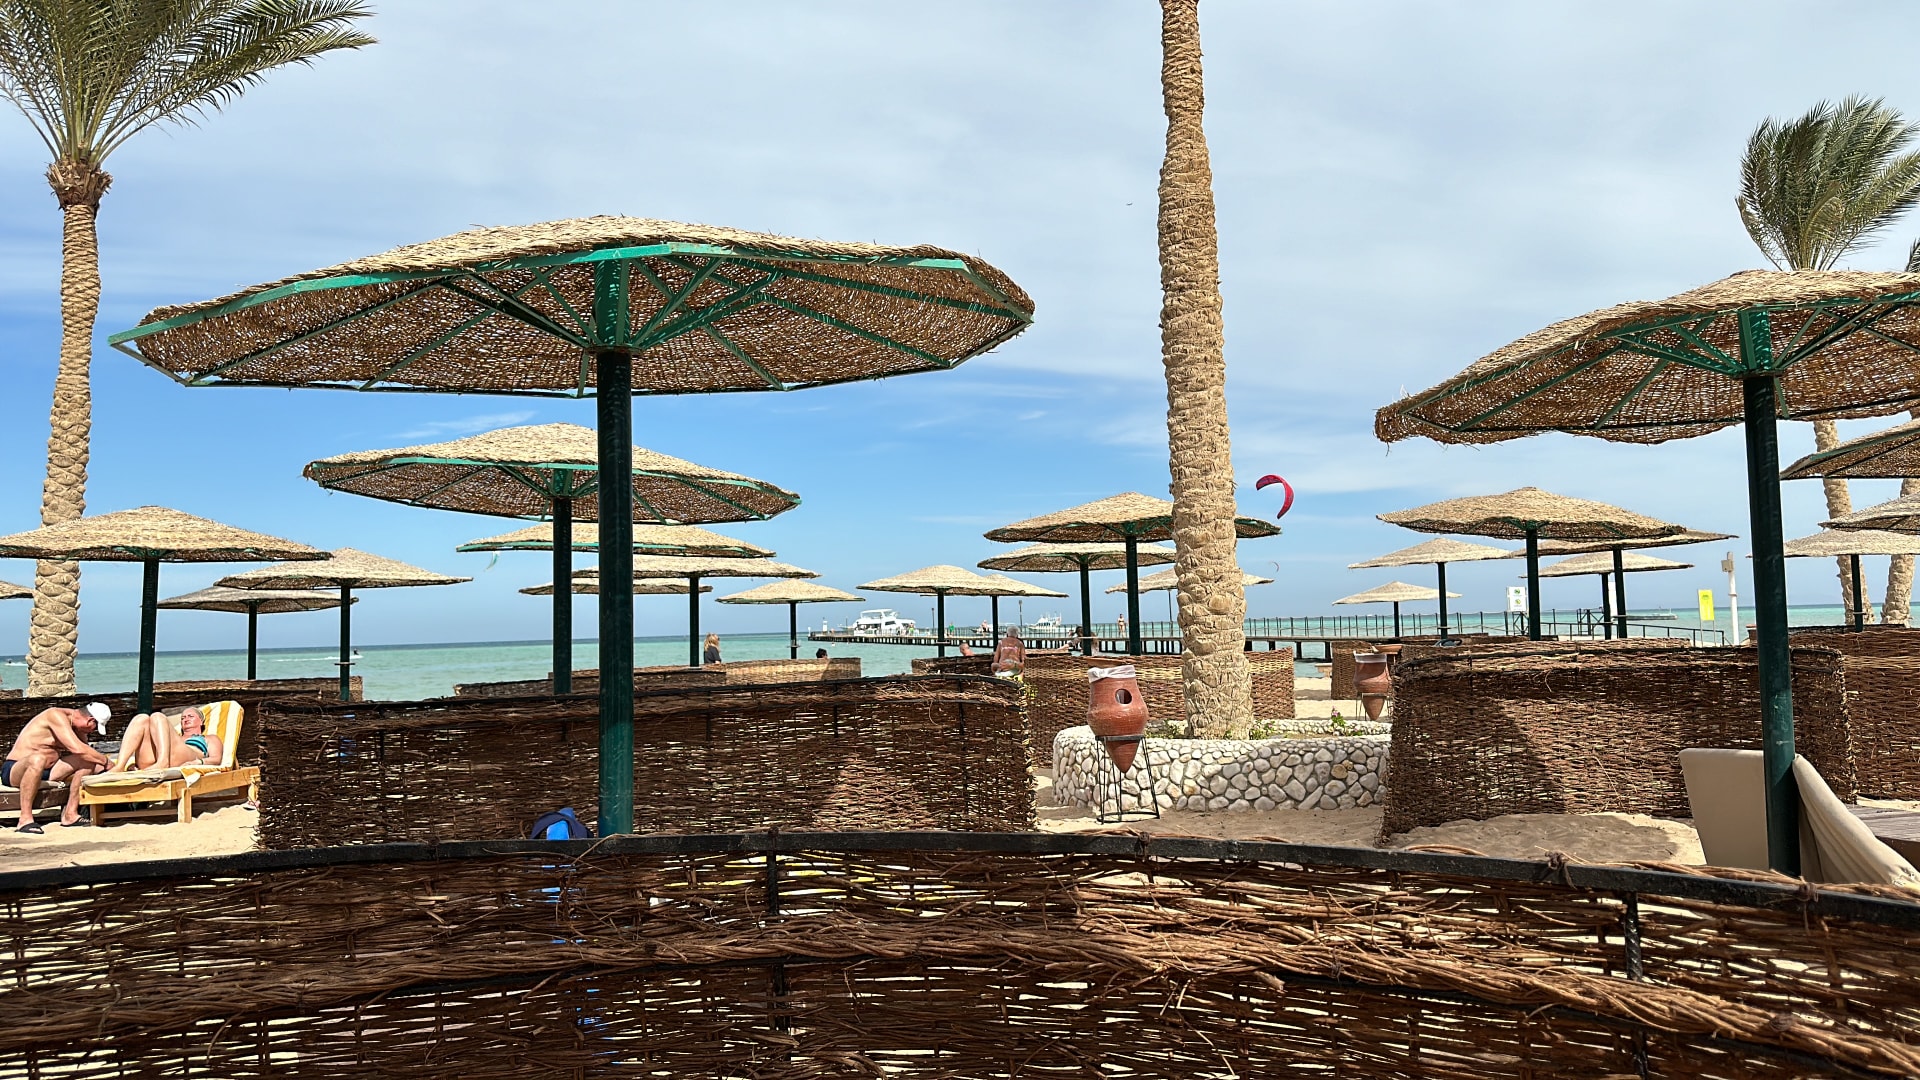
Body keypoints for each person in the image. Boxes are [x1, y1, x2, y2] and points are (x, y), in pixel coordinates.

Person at [4, 702, 110, 833]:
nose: (93, 731)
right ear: (90, 720)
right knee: (38, 758)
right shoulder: (55, 715)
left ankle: (70, 814)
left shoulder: (77, 728)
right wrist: (107, 762)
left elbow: (88, 754)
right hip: (16, 769)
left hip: (49, 771)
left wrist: (111, 769)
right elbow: (77, 749)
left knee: (87, 761)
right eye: (95, 727)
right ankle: (25, 819)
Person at [111, 706, 223, 772]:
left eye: (191, 716)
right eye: (183, 718)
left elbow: (216, 759)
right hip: (156, 760)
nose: (186, 719)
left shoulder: (209, 738)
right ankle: (120, 766)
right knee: (142, 718)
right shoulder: (170, 736)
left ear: (201, 721)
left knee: (157, 716)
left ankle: (162, 762)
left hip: (188, 757)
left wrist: (199, 762)